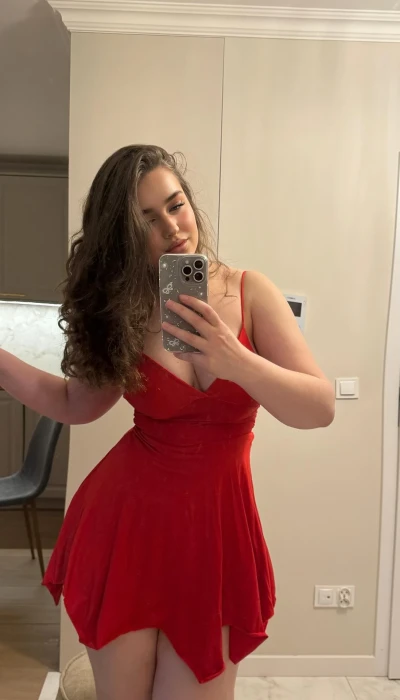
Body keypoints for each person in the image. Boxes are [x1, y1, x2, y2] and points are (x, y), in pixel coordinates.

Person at [0, 145, 335, 700]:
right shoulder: (127, 310)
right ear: (125, 238)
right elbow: (74, 404)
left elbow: (319, 407)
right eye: (147, 221)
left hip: (216, 535)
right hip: (127, 528)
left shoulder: (251, 291)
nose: (173, 228)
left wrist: (235, 360)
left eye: (176, 205)